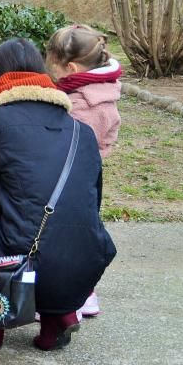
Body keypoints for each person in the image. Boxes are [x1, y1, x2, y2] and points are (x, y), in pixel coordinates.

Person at [0, 38, 117, 351]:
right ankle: (57, 317)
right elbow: (90, 204)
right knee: (48, 227)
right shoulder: (82, 130)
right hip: (84, 266)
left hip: (20, 265)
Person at [46, 23, 123, 318]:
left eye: (55, 66)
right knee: (77, 235)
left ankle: (75, 298)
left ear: (73, 67)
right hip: (88, 179)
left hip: (72, 180)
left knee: (66, 238)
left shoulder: (83, 106)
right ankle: (82, 294)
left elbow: (68, 144)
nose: (53, 73)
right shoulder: (99, 91)